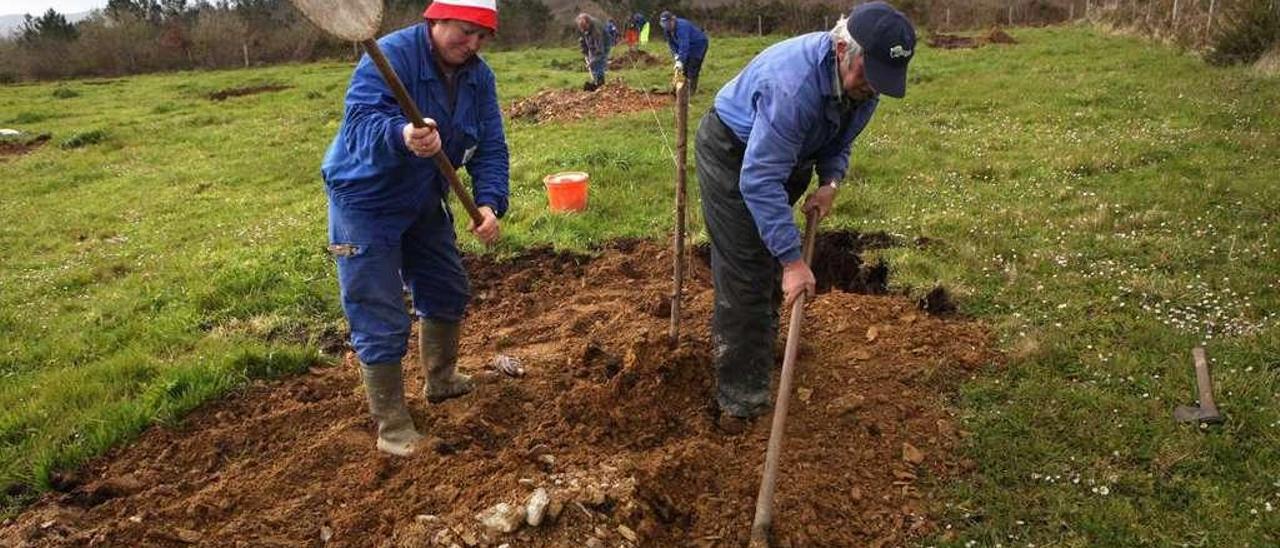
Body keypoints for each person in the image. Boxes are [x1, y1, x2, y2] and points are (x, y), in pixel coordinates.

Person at [695, 2, 916, 434]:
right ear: (841, 48)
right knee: (746, 271)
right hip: (732, 154)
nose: (871, 88)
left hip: (787, 155)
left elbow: (840, 136)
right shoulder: (793, 87)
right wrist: (794, 262)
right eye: (866, 74)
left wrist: (831, 183)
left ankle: (761, 345)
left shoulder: (865, 89)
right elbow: (758, 180)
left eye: (880, 81)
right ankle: (740, 401)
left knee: (772, 259)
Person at [321, 0, 509, 456]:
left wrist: (489, 203)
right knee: (380, 312)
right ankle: (392, 427)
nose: (472, 45)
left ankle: (441, 379)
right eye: (464, 32)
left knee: (446, 287)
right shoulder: (389, 59)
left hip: (424, 196)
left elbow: (491, 147)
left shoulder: (478, 78)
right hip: (366, 200)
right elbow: (359, 127)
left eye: (482, 37)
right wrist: (401, 136)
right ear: (435, 20)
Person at [659, 11, 708, 94]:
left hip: (698, 45)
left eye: (667, 24)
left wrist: (681, 60)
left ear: (672, 20)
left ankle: (691, 91)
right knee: (683, 69)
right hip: (686, 46)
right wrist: (676, 55)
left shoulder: (682, 27)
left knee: (692, 67)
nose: (666, 26)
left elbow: (684, 45)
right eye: (664, 24)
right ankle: (681, 88)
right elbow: (671, 44)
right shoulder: (667, 30)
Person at [576, 13, 611, 91]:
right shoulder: (583, 27)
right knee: (593, 64)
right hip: (592, 44)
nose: (583, 30)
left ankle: (600, 84)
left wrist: (591, 62)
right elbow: (582, 41)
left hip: (604, 45)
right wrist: (585, 53)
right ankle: (595, 82)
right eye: (582, 28)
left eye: (585, 28)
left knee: (598, 64)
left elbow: (599, 51)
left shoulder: (596, 30)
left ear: (588, 23)